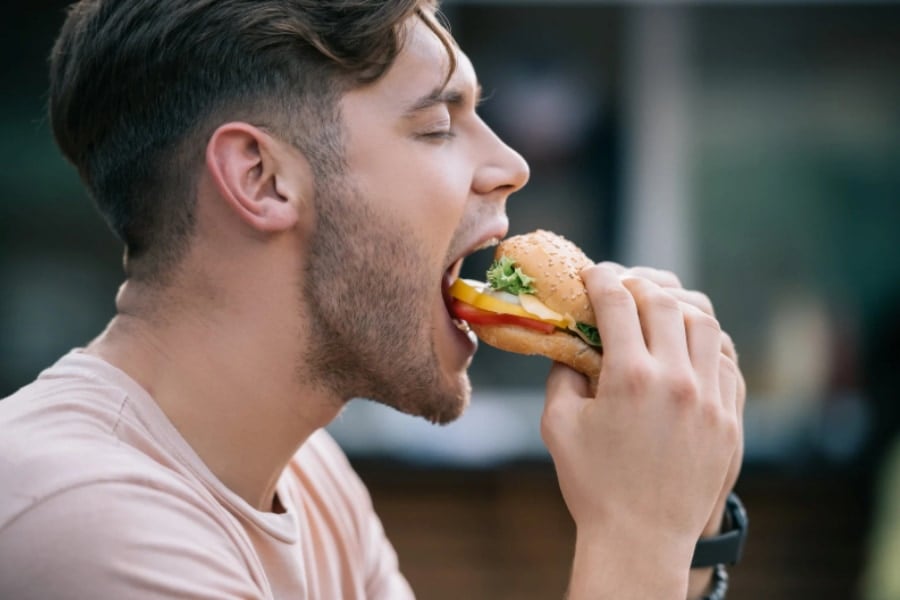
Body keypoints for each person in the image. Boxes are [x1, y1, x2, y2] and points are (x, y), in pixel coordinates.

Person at [0, 1, 746, 599]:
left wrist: (689, 529)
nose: (511, 164)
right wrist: (636, 533)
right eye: (437, 124)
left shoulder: (310, 480)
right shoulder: (83, 518)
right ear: (261, 177)